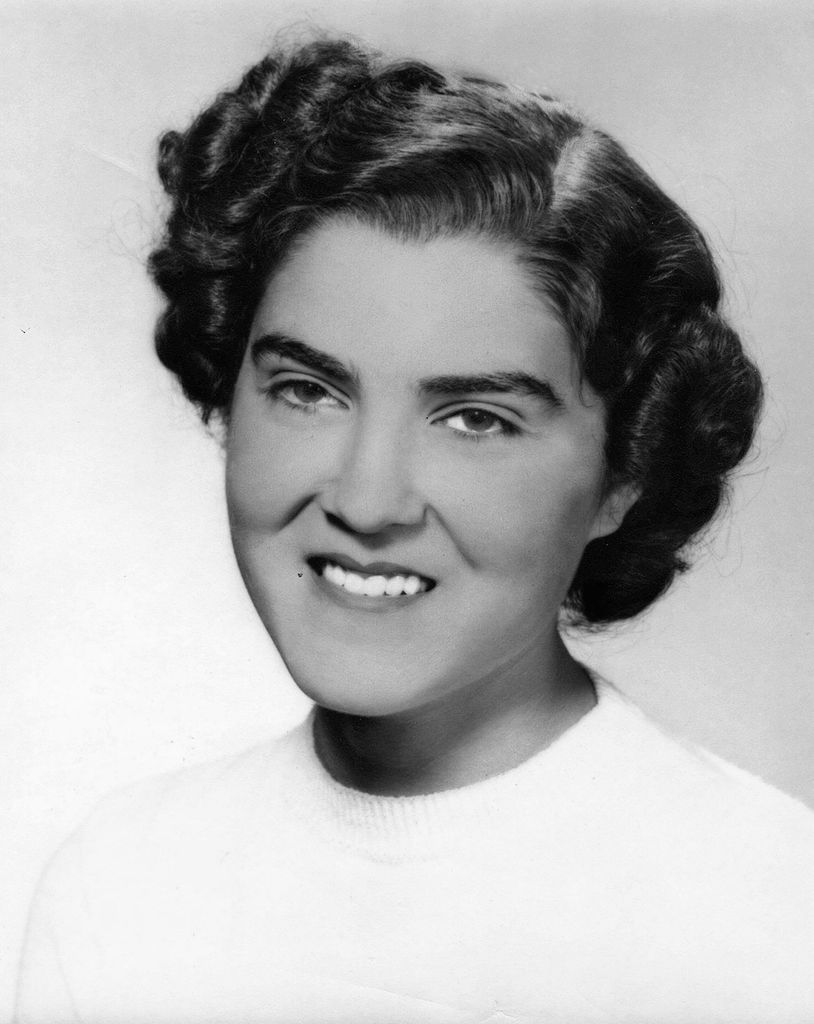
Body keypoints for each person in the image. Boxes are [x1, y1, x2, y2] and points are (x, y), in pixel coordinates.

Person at [15, 35, 814, 1024]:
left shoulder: (772, 919)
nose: (366, 500)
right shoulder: (119, 887)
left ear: (625, 474)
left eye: (475, 419)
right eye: (308, 390)